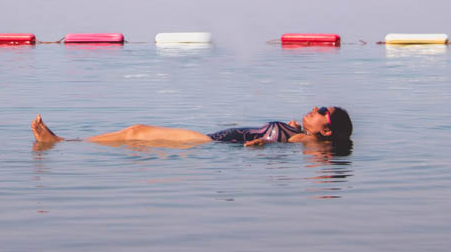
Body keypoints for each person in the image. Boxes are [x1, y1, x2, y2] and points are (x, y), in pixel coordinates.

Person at [31, 106, 353, 148]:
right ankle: (63, 140)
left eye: (323, 111)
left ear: (326, 130)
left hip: (211, 143)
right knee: (135, 134)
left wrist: (264, 144)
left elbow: (295, 144)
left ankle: (60, 142)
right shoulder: (298, 132)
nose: (316, 108)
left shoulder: (305, 140)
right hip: (212, 140)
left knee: (136, 132)